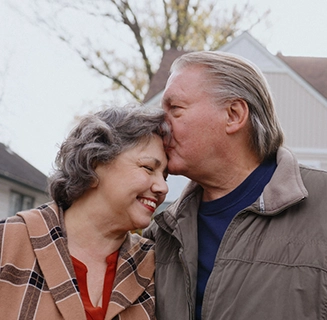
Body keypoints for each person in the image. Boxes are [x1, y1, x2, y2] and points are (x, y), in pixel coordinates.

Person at [143, 51, 327, 320]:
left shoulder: (322, 206)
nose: (160, 125)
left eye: (175, 109)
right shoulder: (161, 234)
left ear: (233, 114)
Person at [0, 104, 169, 320]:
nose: (162, 187)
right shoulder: (8, 243)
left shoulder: (156, 266)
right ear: (94, 163)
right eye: (148, 168)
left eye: (165, 176)